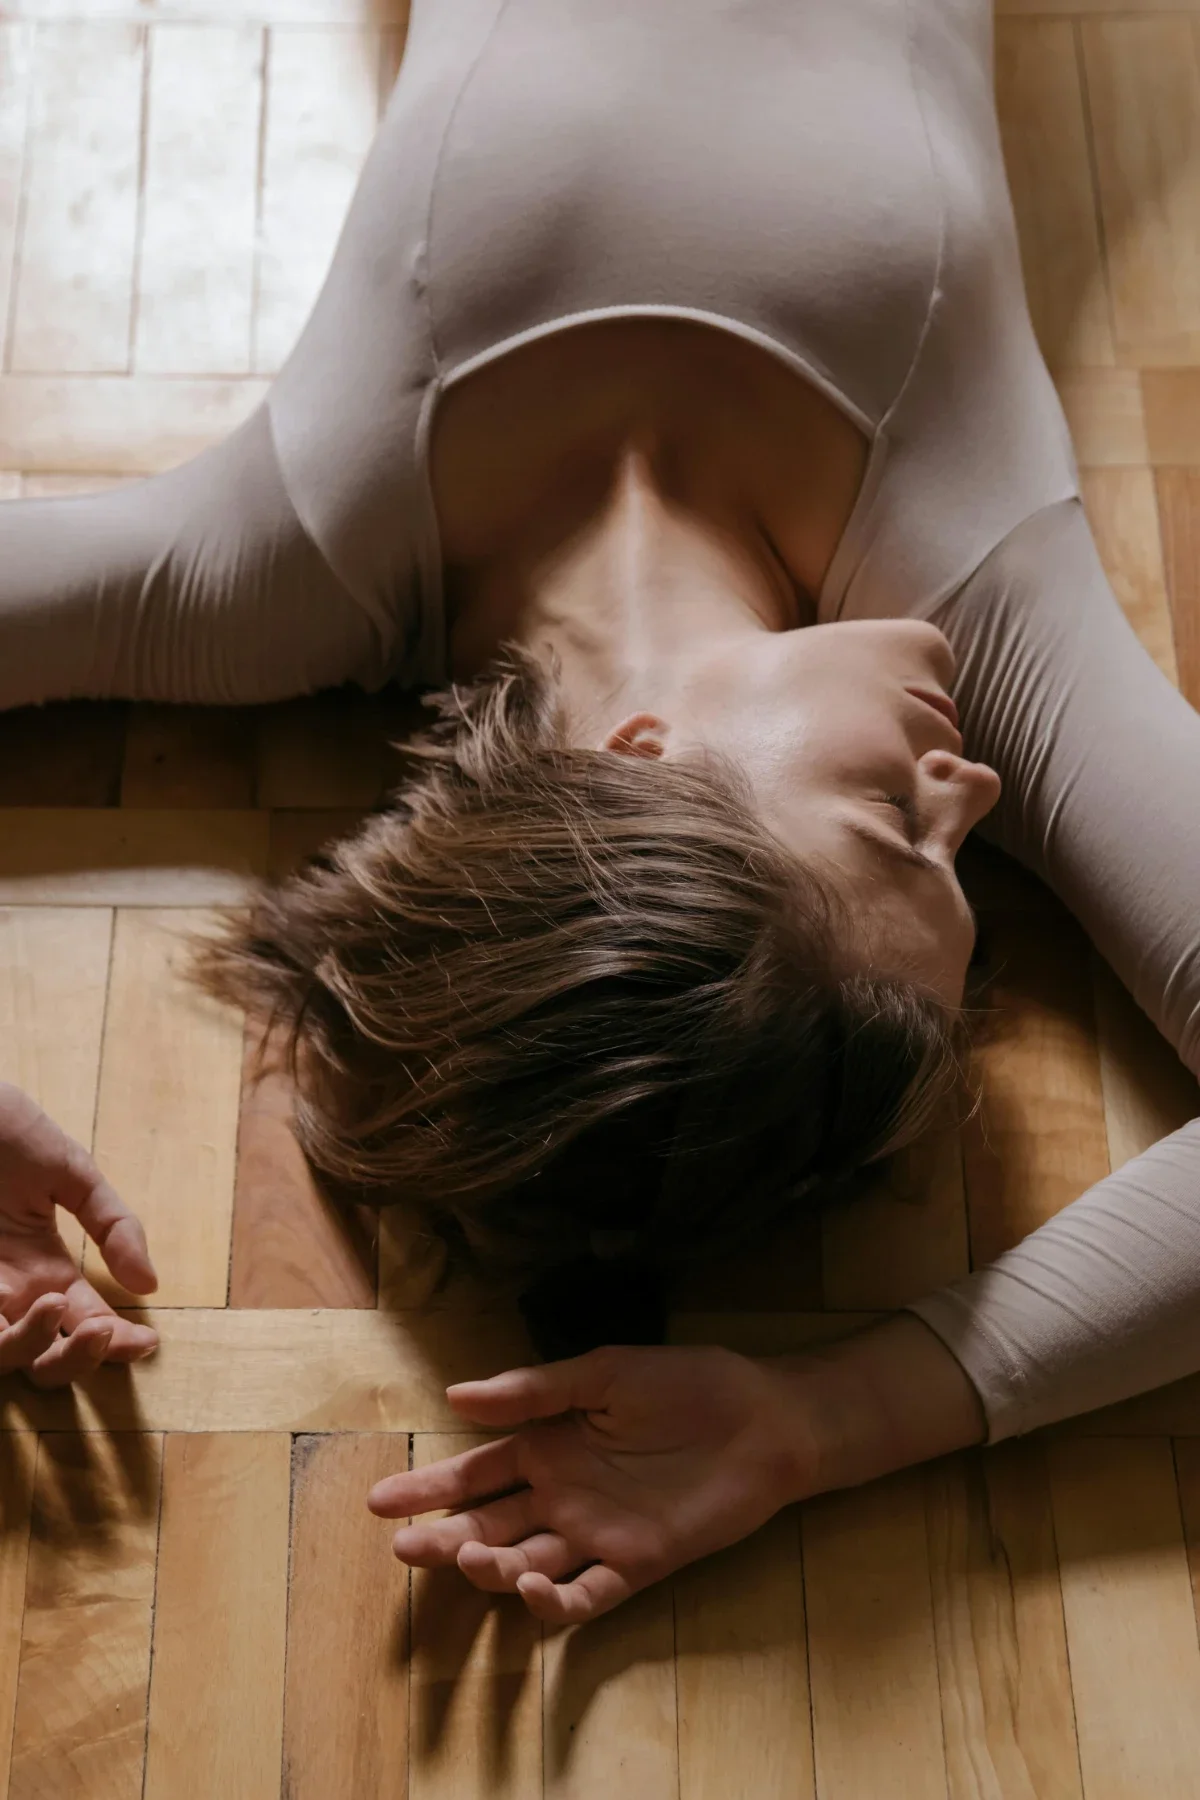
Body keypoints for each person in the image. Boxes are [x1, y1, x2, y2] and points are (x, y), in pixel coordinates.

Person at [1, 0, 1198, 1623]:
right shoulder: (983, 604)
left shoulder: (297, 560)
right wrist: (827, 1419)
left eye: (890, 825)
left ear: (637, 761)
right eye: (962, 851)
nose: (973, 782)